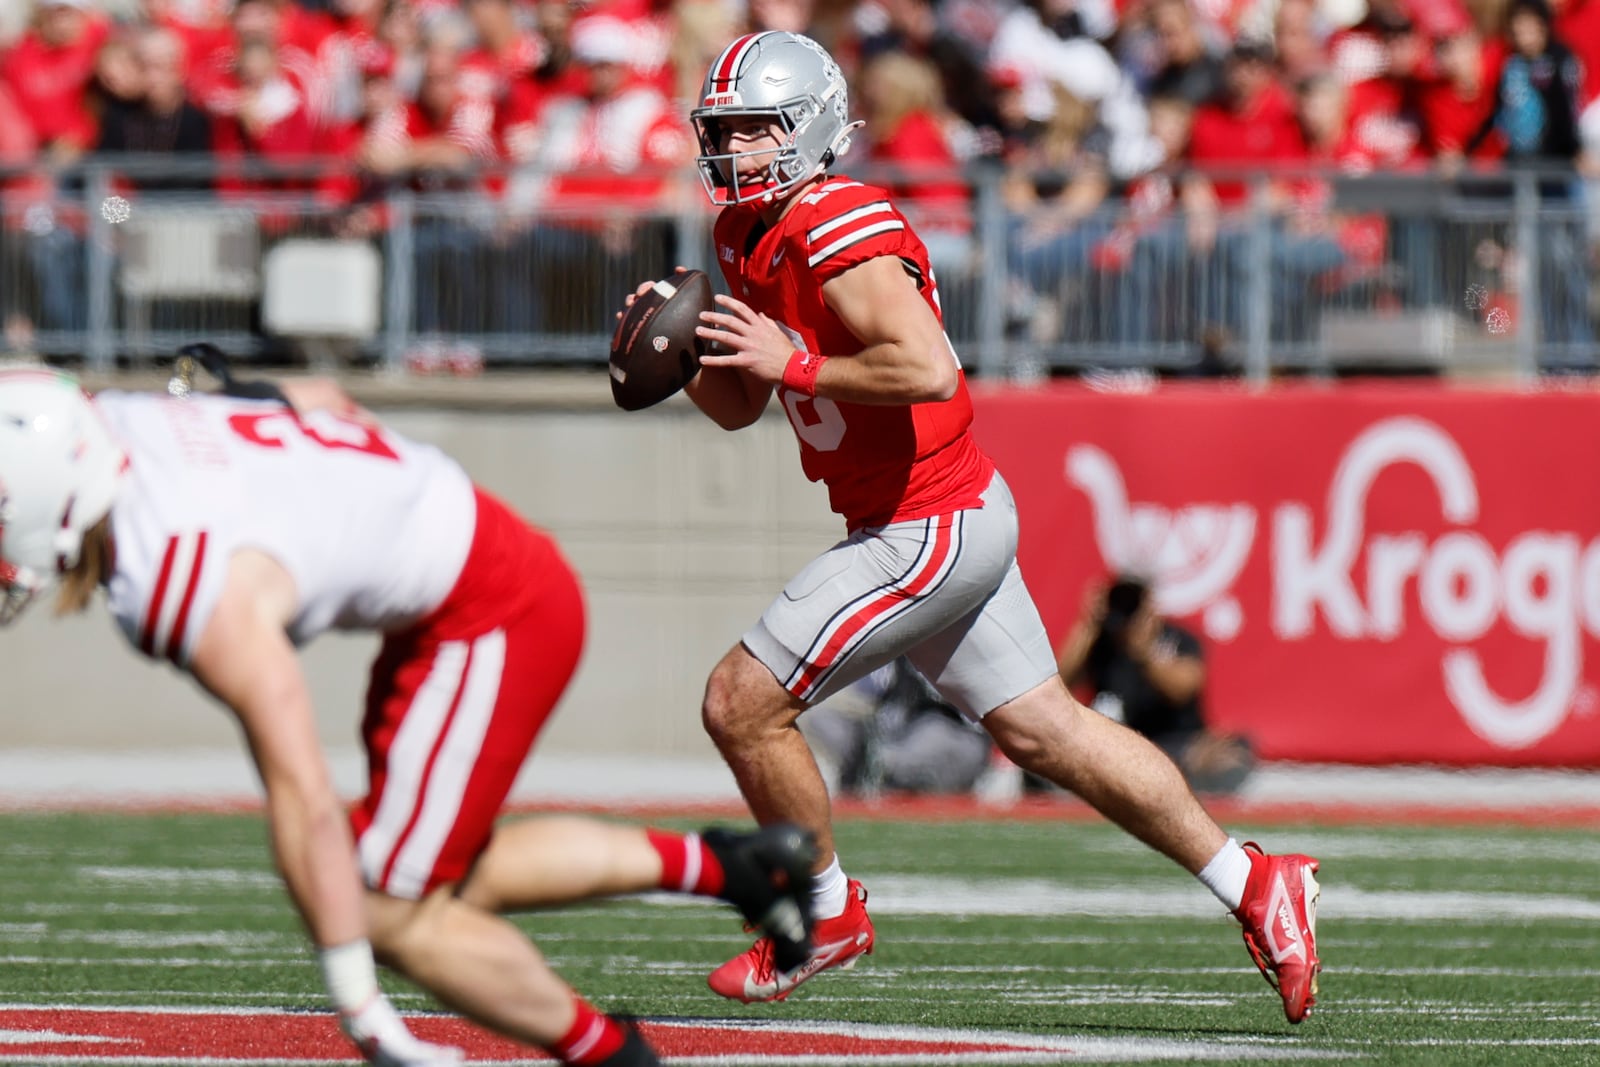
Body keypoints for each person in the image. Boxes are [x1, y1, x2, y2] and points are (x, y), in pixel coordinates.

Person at [624, 29, 1322, 1021]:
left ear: (810, 130)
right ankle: (1254, 881)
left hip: (926, 520)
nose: (732, 151)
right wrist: (687, 355)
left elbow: (929, 367)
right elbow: (746, 406)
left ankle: (823, 912)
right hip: (926, 513)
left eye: (753, 130)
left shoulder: (835, 218)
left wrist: (798, 364)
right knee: (1045, 728)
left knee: (740, 700)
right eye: (723, 131)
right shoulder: (747, 235)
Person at [0, 360, 820, 1067]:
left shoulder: (179, 576)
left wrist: (360, 1000)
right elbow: (321, 398)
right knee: (424, 874)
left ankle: (616, 1054)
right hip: (458, 589)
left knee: (384, 905)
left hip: (491, 611)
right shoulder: (122, 418)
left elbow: (301, 792)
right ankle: (727, 868)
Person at [1055, 575, 1255, 795]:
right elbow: (1060, 683)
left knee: (1230, 755)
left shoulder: (1177, 638)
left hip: (1176, 745)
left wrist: (1144, 650)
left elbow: (1184, 689)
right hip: (1118, 746)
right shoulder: (1101, 643)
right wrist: (1089, 625)